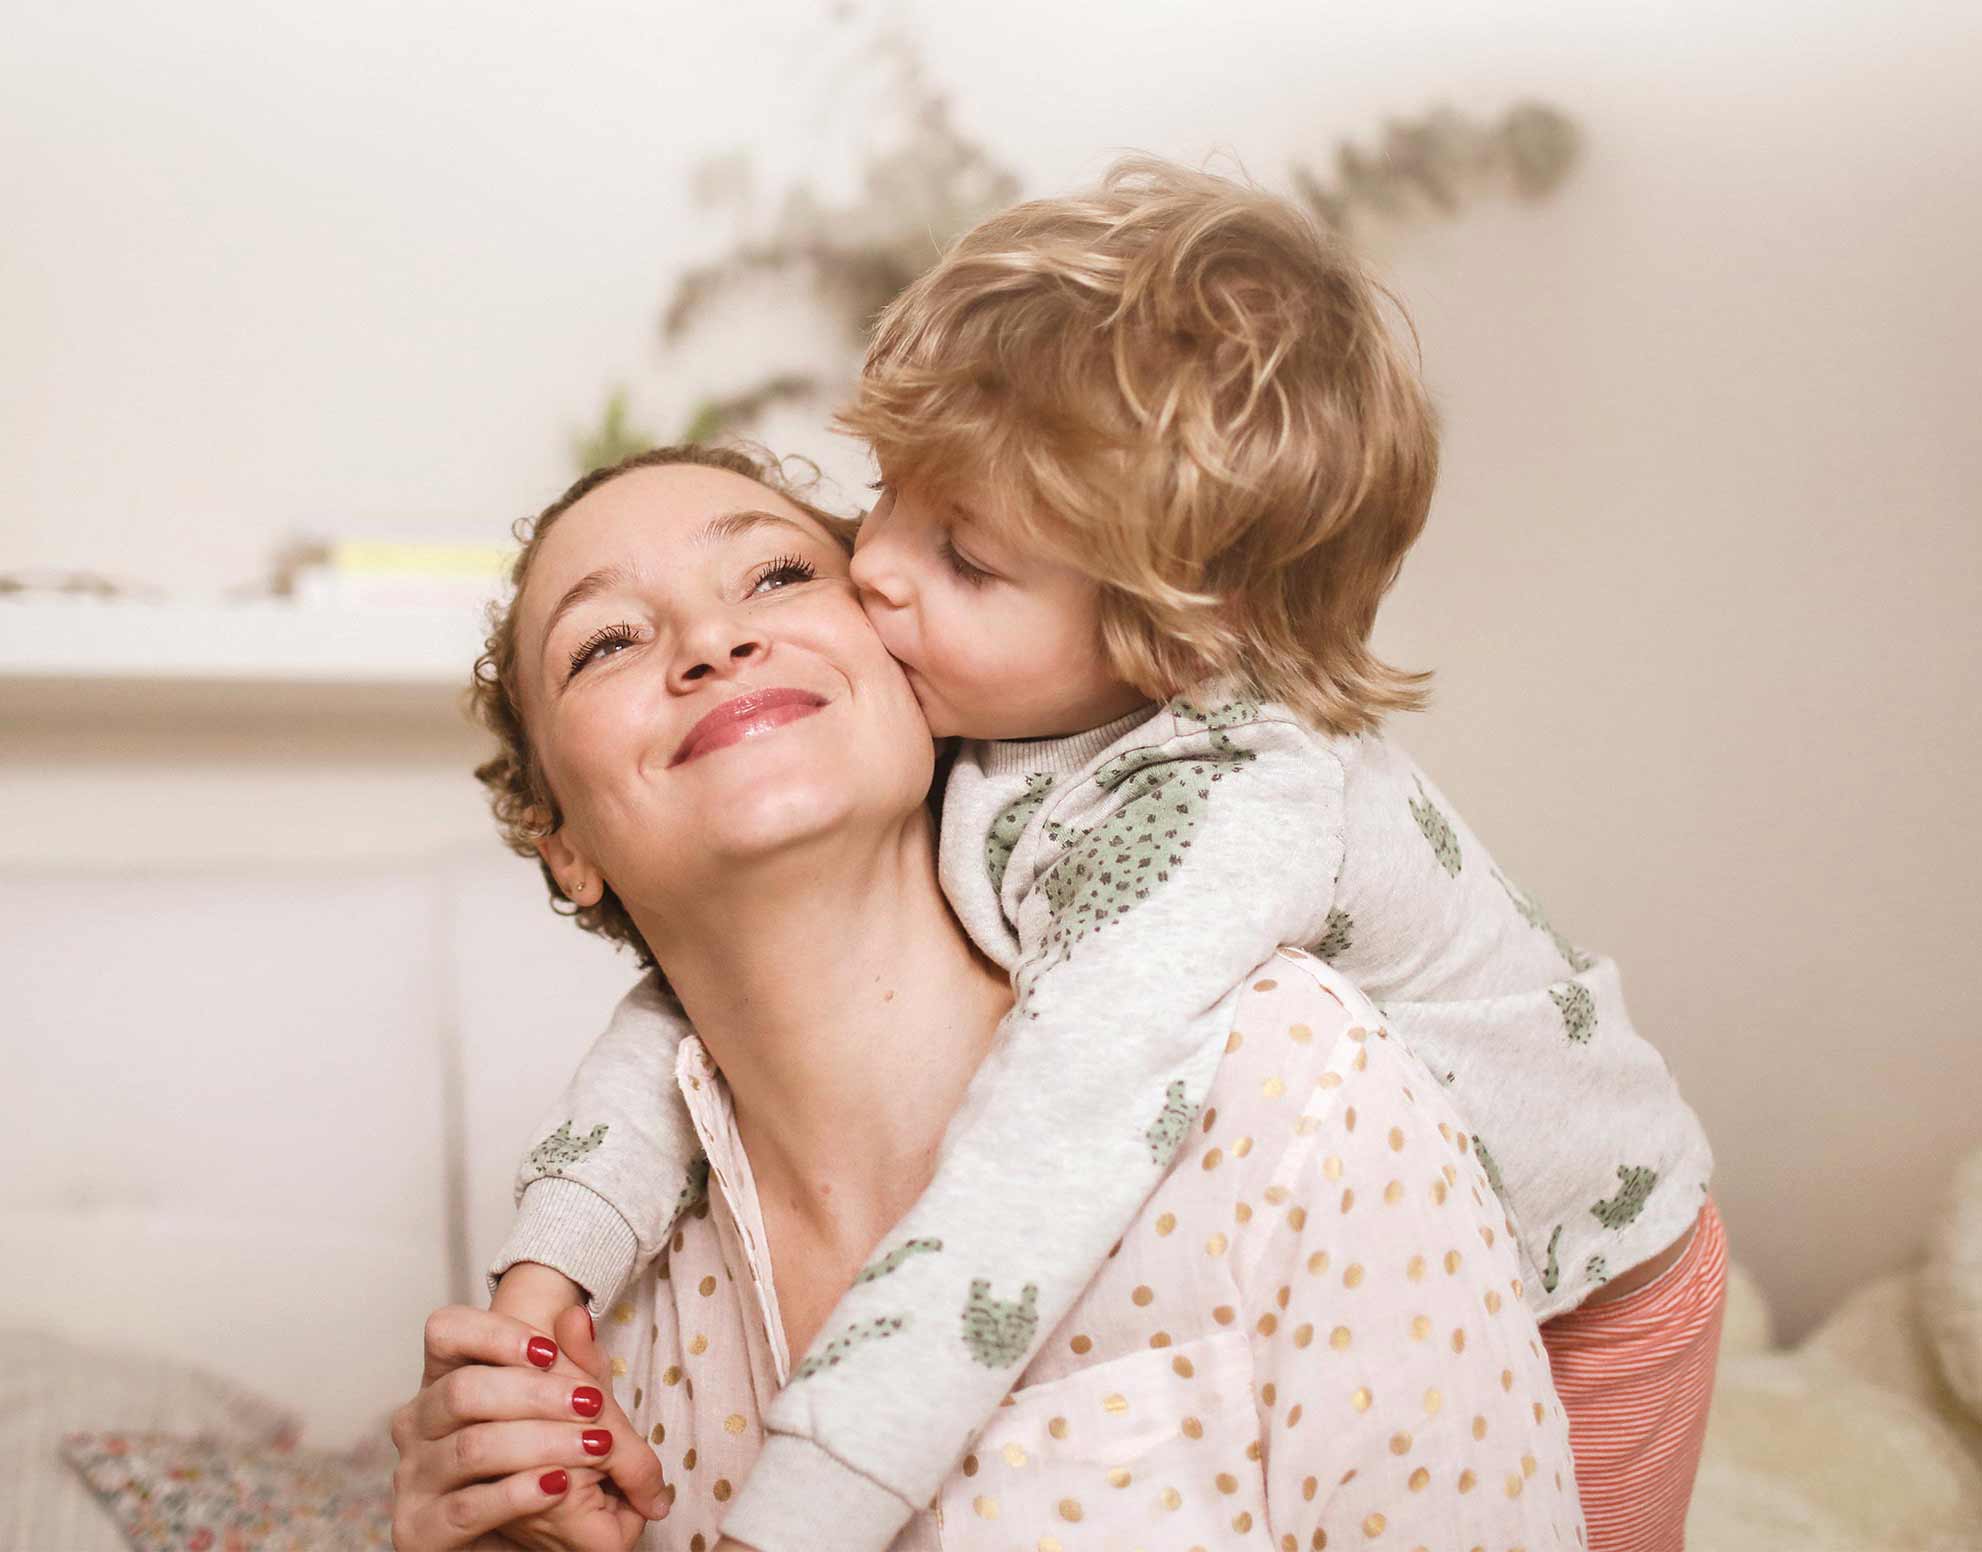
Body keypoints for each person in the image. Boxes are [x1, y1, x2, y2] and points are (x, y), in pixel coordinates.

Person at [483, 162, 1725, 1551]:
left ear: (1166, 643)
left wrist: (798, 1511)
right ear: (564, 839)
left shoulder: (1220, 847)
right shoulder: (996, 714)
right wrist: (552, 1258)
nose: (875, 571)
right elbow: (685, 1019)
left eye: (955, 555)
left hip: (1605, 1278)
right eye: (883, 502)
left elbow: (1046, 1152)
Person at [388, 445, 1584, 1550]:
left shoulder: (1287, 1077)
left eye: (776, 572)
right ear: (563, 843)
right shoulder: (598, 1338)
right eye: (605, 642)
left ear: (913, 671)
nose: (709, 641)